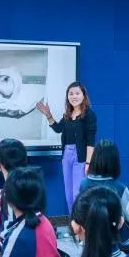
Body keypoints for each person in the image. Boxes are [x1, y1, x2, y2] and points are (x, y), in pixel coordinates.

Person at [36, 82, 97, 211]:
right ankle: (73, 220)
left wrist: (88, 163)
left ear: (84, 96)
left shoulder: (89, 115)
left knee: (77, 193)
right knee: (68, 194)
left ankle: (81, 221)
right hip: (66, 156)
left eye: (77, 93)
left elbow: (91, 141)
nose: (74, 96)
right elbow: (58, 128)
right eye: (71, 94)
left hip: (81, 157)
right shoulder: (67, 115)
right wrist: (48, 115)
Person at [78, 140, 129, 248]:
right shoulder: (120, 188)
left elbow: (80, 213)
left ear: (94, 159)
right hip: (115, 241)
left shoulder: (83, 184)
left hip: (89, 238)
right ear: (115, 162)